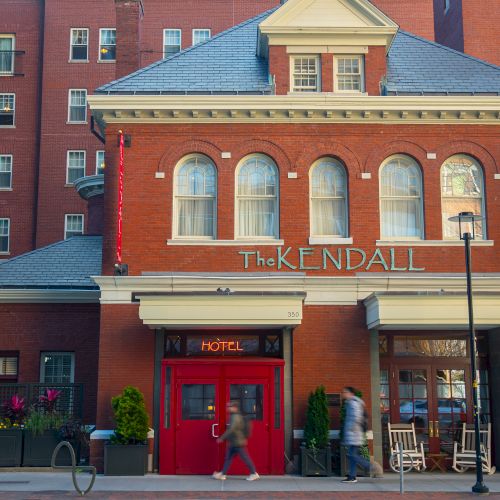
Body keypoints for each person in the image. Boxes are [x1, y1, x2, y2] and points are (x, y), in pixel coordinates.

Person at [341, 386, 383, 483]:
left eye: (345, 392)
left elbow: (356, 418)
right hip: (353, 433)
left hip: (354, 433)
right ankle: (352, 476)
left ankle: (370, 466)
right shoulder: (350, 403)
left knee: (352, 455)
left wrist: (351, 430)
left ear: (351, 393)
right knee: (352, 455)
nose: (343, 394)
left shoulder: (353, 403)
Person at [212, 400, 260, 481]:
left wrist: (222, 438)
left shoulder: (235, 417)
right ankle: (223, 474)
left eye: (229, 406)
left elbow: (231, 429)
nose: (228, 408)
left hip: (238, 442)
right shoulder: (234, 416)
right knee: (228, 458)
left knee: (244, 458)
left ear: (234, 408)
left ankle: (254, 473)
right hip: (234, 442)